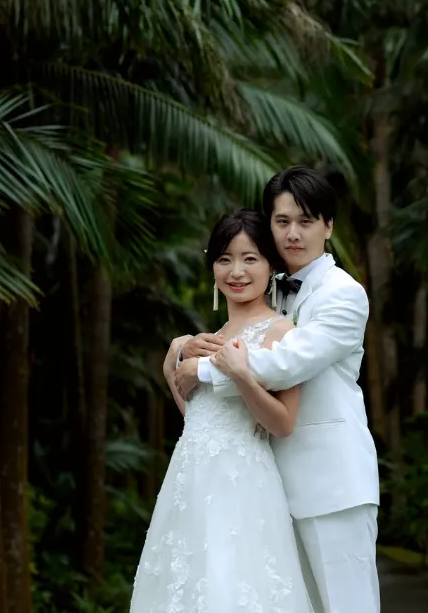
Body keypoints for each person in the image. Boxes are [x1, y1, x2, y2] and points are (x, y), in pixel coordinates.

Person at [175, 166, 381, 613]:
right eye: (282, 221)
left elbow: (286, 363)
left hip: (332, 487)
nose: (293, 233)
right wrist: (182, 348)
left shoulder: (343, 295)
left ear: (328, 226)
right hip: (268, 490)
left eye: (306, 221)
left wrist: (202, 369)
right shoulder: (273, 291)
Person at [131, 209, 314, 613]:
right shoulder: (208, 339)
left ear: (271, 266)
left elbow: (283, 423)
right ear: (212, 265)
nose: (237, 271)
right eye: (225, 258)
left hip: (244, 482)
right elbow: (194, 417)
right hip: (189, 480)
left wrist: (241, 375)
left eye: (250, 259)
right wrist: (172, 361)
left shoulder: (280, 331)